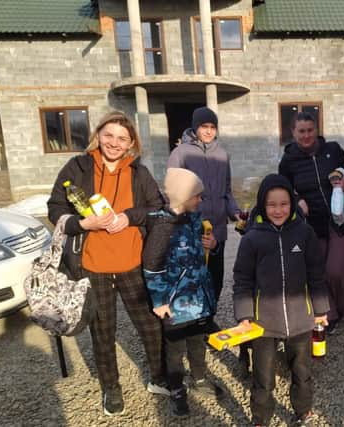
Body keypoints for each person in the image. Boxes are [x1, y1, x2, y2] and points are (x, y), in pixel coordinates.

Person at [46, 111, 168, 416]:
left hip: (132, 263)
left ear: (131, 144)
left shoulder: (139, 173)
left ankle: (159, 376)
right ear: (98, 134)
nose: (114, 143)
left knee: (151, 326)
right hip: (92, 265)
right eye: (109, 135)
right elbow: (55, 207)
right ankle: (111, 388)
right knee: (102, 331)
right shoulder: (78, 167)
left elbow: (157, 208)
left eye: (122, 138)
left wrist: (128, 217)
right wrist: (81, 224)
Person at [232, 174, 329, 427]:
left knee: (302, 372)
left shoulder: (305, 233)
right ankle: (261, 418)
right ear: (262, 205)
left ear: (293, 203)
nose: (278, 210)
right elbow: (242, 279)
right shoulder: (252, 237)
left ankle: (303, 411)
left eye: (284, 204)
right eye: (272, 204)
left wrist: (320, 309)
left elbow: (316, 274)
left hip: (301, 320)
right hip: (263, 322)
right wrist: (244, 315)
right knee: (263, 377)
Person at [142, 168, 226, 417]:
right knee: (175, 349)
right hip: (174, 304)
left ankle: (199, 379)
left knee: (197, 342)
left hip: (198, 300)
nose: (201, 200)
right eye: (197, 196)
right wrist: (159, 301)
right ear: (182, 196)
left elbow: (207, 254)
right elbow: (151, 267)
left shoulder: (195, 220)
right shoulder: (162, 225)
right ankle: (177, 389)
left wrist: (215, 246)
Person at [279, 112, 344, 334]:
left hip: (342, 219)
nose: (307, 135)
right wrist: (298, 201)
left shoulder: (333, 150)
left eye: (310, 130)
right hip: (312, 225)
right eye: (301, 131)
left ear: (316, 130)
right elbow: (284, 190)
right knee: (319, 272)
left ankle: (342, 306)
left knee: (337, 270)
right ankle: (331, 314)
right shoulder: (288, 160)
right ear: (293, 133)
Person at [167, 106, 241, 306]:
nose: (208, 131)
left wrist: (236, 212)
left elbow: (227, 191)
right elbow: (173, 191)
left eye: (212, 127)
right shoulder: (180, 153)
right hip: (192, 229)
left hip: (217, 230)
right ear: (195, 127)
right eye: (204, 126)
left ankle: (210, 317)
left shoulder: (223, 155)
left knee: (216, 278)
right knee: (192, 278)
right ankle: (193, 323)